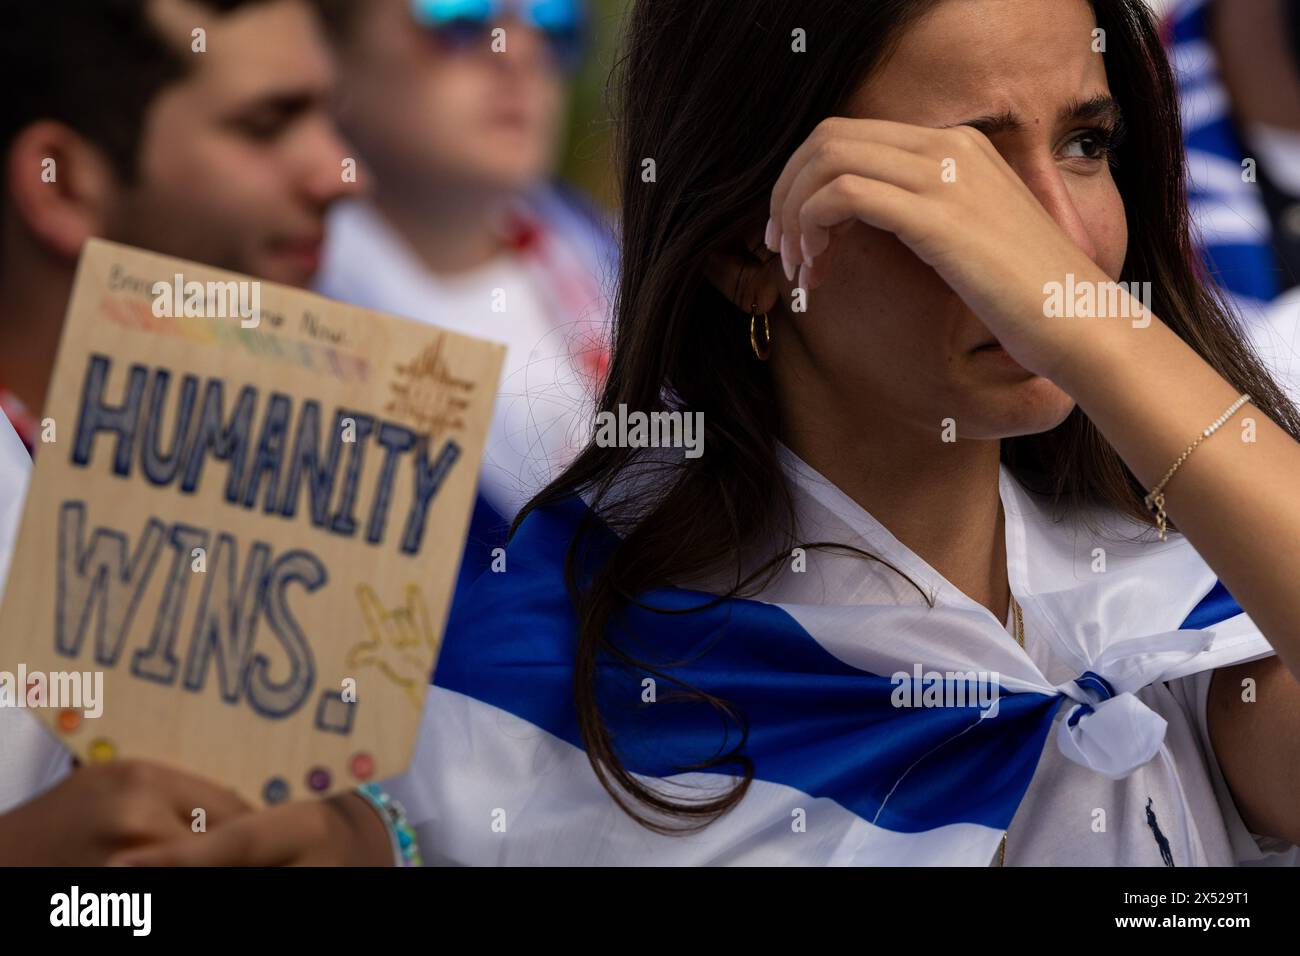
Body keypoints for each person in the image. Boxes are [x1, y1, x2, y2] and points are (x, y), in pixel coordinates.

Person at [74, 0, 1300, 867]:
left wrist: (1086, 324)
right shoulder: (526, 654)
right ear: (744, 250)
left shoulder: (1184, 596)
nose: (1052, 237)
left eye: (1087, 146)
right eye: (956, 181)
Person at [0, 0, 392, 865]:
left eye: (331, 118)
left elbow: (377, 795)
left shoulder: (306, 472)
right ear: (60, 180)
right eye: (266, 124)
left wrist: (355, 838)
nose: (340, 174)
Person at [312, 0, 615, 614]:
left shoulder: (625, 261)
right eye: (461, 13)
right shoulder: (264, 312)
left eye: (555, 19)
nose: (519, 51)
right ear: (327, 54)